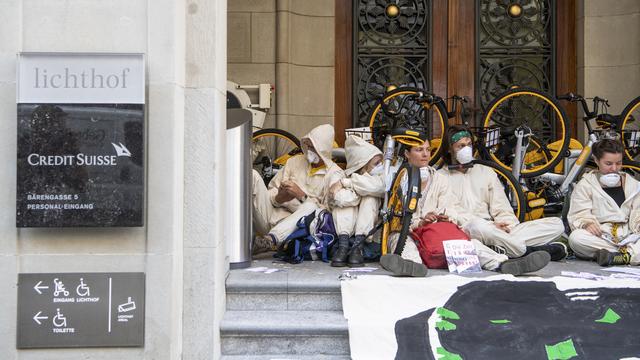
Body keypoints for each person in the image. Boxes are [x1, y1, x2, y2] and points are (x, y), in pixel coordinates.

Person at [380, 139, 551, 276]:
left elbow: (450, 209)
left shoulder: (439, 179)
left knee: (469, 244)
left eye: (428, 150)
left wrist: (443, 216)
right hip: (409, 232)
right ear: (406, 154)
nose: (425, 154)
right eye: (419, 150)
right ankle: (413, 268)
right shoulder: (397, 180)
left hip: (435, 232)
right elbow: (395, 219)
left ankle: (504, 263)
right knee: (401, 242)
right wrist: (420, 223)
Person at [438, 125, 567, 261]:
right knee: (477, 226)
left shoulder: (485, 171)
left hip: (496, 231)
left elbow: (502, 208)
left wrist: (506, 226)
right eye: (461, 146)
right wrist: (490, 226)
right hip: (469, 230)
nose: (466, 149)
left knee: (556, 224)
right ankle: (526, 251)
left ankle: (502, 248)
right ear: (449, 148)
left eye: (469, 145)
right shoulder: (440, 177)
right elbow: (450, 213)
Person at [252, 124, 342, 255]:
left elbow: (327, 214)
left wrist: (302, 196)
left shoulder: (335, 174)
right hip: (271, 217)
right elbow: (272, 190)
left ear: (322, 150)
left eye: (313, 147)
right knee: (252, 175)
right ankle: (235, 234)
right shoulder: (294, 162)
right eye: (307, 145)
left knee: (311, 206)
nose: (309, 150)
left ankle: (271, 240)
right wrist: (278, 198)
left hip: (298, 229)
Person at [567, 138, 640, 266]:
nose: (614, 168)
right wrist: (586, 224)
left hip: (630, 235)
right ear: (596, 160)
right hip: (602, 236)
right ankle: (628, 255)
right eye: (608, 163)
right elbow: (578, 213)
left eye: (618, 163)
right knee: (576, 239)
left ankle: (619, 256)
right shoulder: (585, 185)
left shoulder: (633, 185)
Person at [329, 135, 385, 267]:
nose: (381, 166)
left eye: (381, 162)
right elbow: (340, 198)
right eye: (376, 163)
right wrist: (361, 190)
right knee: (344, 204)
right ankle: (343, 247)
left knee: (370, 197)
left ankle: (357, 247)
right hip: (344, 231)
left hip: (368, 237)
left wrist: (347, 183)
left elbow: (381, 187)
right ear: (362, 166)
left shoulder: (381, 177)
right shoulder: (339, 174)